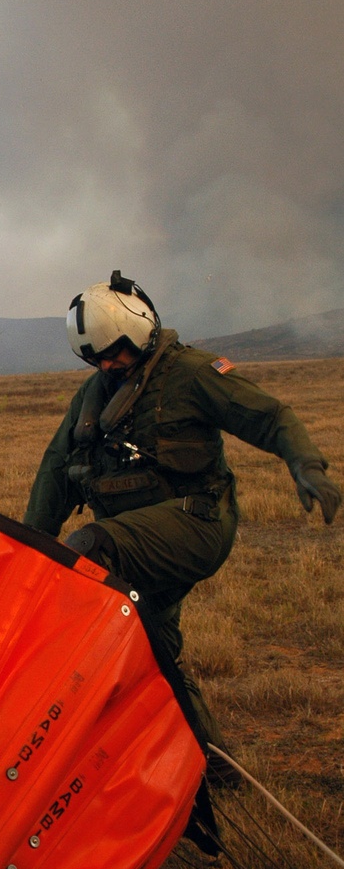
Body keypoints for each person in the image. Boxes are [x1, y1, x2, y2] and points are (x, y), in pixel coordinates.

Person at [22, 270, 340, 757]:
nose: (108, 364)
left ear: (140, 329)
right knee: (152, 653)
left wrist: (307, 467)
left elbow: (270, 416)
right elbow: (57, 470)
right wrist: (30, 547)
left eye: (115, 351)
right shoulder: (92, 398)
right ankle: (211, 763)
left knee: (91, 549)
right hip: (144, 546)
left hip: (197, 522)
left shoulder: (191, 374)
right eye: (96, 357)